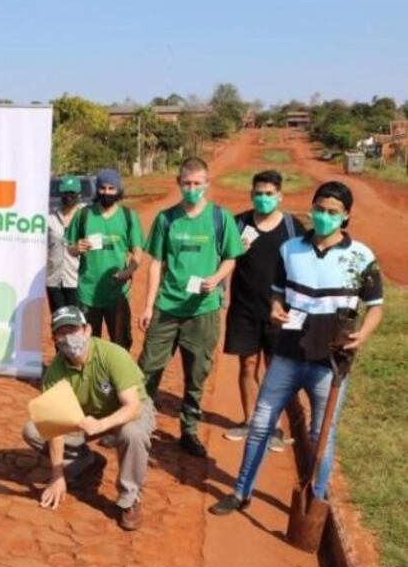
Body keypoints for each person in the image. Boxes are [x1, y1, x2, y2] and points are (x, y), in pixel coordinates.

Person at [211, 181, 384, 515]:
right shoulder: (290, 250)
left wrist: (362, 334)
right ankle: (241, 491)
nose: (324, 216)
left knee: (322, 434)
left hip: (330, 362)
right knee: (261, 423)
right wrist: (276, 306)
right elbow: (278, 291)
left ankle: (314, 501)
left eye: (332, 212)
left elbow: (375, 305)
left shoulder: (361, 257)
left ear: (346, 215)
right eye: (319, 209)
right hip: (287, 355)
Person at [137, 157, 244, 457]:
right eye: (187, 184)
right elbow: (156, 264)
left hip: (204, 310)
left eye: (198, 184)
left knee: (196, 374)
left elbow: (231, 258)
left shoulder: (220, 219)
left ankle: (189, 429)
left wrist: (216, 278)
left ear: (207, 184)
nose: (192, 189)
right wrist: (148, 307)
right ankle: (136, 423)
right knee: (147, 370)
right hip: (167, 308)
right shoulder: (166, 219)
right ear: (178, 184)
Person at [22, 306, 155, 530]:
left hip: (127, 412)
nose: (68, 338)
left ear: (87, 330)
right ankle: (86, 462)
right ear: (54, 338)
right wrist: (57, 475)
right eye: (61, 333)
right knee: (33, 430)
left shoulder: (112, 355)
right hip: (85, 417)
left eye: (73, 330)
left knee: (132, 433)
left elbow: (133, 407)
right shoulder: (55, 372)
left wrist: (103, 424)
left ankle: (130, 498)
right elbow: (54, 426)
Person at [223, 170, 305, 449]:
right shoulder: (238, 224)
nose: (263, 198)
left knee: (276, 370)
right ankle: (249, 421)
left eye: (269, 194)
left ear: (280, 195)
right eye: (258, 193)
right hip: (244, 309)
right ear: (251, 195)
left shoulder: (293, 229)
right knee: (247, 365)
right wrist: (235, 250)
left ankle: (275, 427)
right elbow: (222, 260)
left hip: (279, 312)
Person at [66, 169, 143, 350]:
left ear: (118, 190)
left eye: (111, 188)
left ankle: (117, 377)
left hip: (117, 292)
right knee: (88, 343)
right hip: (88, 292)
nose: (106, 193)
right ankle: (93, 377)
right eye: (102, 188)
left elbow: (137, 252)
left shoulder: (128, 217)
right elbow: (70, 247)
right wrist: (77, 248)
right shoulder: (83, 214)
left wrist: (127, 272)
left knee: (121, 343)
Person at [46, 176, 82, 312]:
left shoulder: (86, 217)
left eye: (72, 193)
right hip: (53, 280)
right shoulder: (50, 218)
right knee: (58, 322)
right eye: (65, 193)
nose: (68, 197)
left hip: (77, 281)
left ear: (79, 195)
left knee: (78, 325)